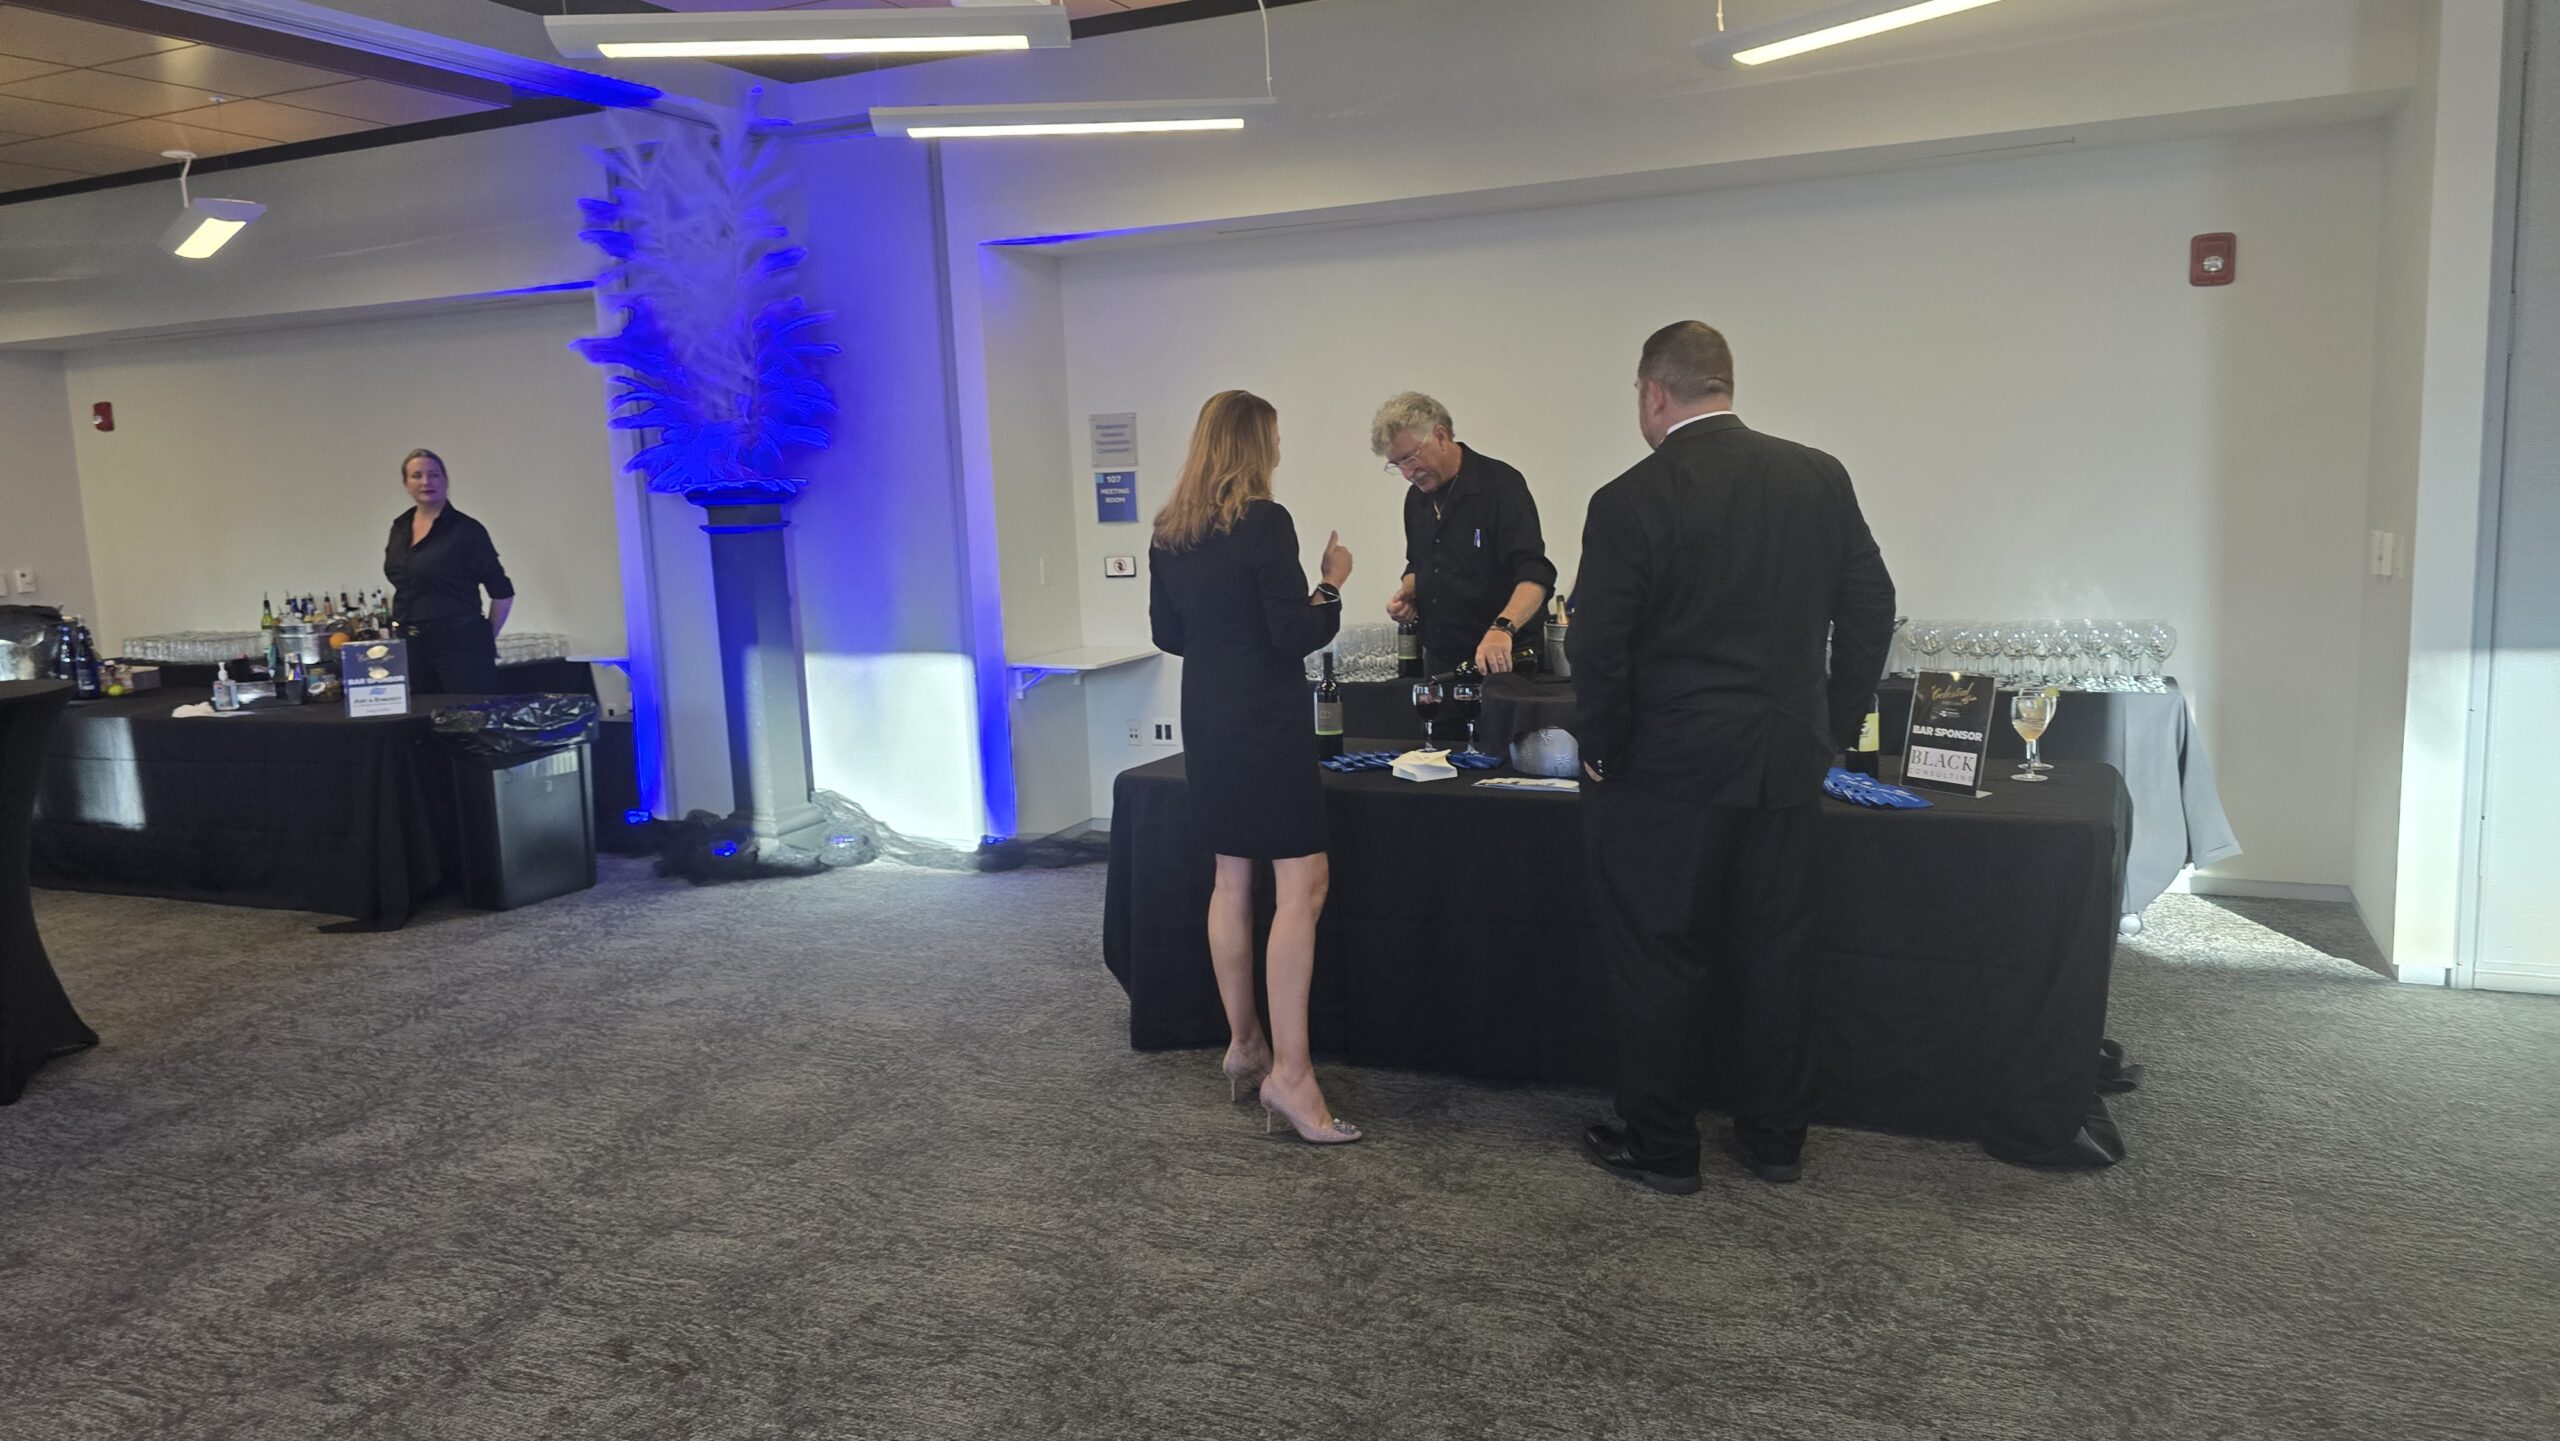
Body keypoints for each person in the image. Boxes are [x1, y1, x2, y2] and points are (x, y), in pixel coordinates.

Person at [1571, 322, 1896, 1192]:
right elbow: (1873, 607)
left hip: (1667, 768)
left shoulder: (1629, 498)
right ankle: (1776, 1139)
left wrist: (1599, 746)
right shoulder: (1817, 476)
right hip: (1786, 758)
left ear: (1653, 393)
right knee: (1777, 950)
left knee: (1659, 953)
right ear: (1725, 382)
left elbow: (1596, 645)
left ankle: (1664, 1146)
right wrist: (1831, 720)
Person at [1147, 391, 1362, 1145]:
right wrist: (1332, 581)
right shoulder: (1266, 523)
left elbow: (1166, 631)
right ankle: (1293, 1077)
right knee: (1302, 884)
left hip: (1206, 712)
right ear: (1254, 445)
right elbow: (1292, 633)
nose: (1280, 450)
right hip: (1265, 722)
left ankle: (1244, 1045)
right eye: (1274, 438)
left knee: (1231, 879)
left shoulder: (1170, 531)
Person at [1371, 393, 1555, 676]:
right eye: (1397, 465)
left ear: (1441, 435)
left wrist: (1502, 628)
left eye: (1410, 458)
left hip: (1502, 661)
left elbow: (1534, 573)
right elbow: (1417, 565)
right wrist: (1407, 594)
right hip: (1441, 663)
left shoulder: (1501, 485)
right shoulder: (1416, 500)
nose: (1407, 474)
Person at [383, 448, 515, 695]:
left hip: (461, 646)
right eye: (417, 476)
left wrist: (485, 639)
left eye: (433, 475)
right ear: (406, 484)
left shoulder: (467, 531)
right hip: (411, 645)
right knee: (420, 722)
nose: (425, 482)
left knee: (466, 722)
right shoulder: (399, 527)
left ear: (445, 481)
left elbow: (502, 592)